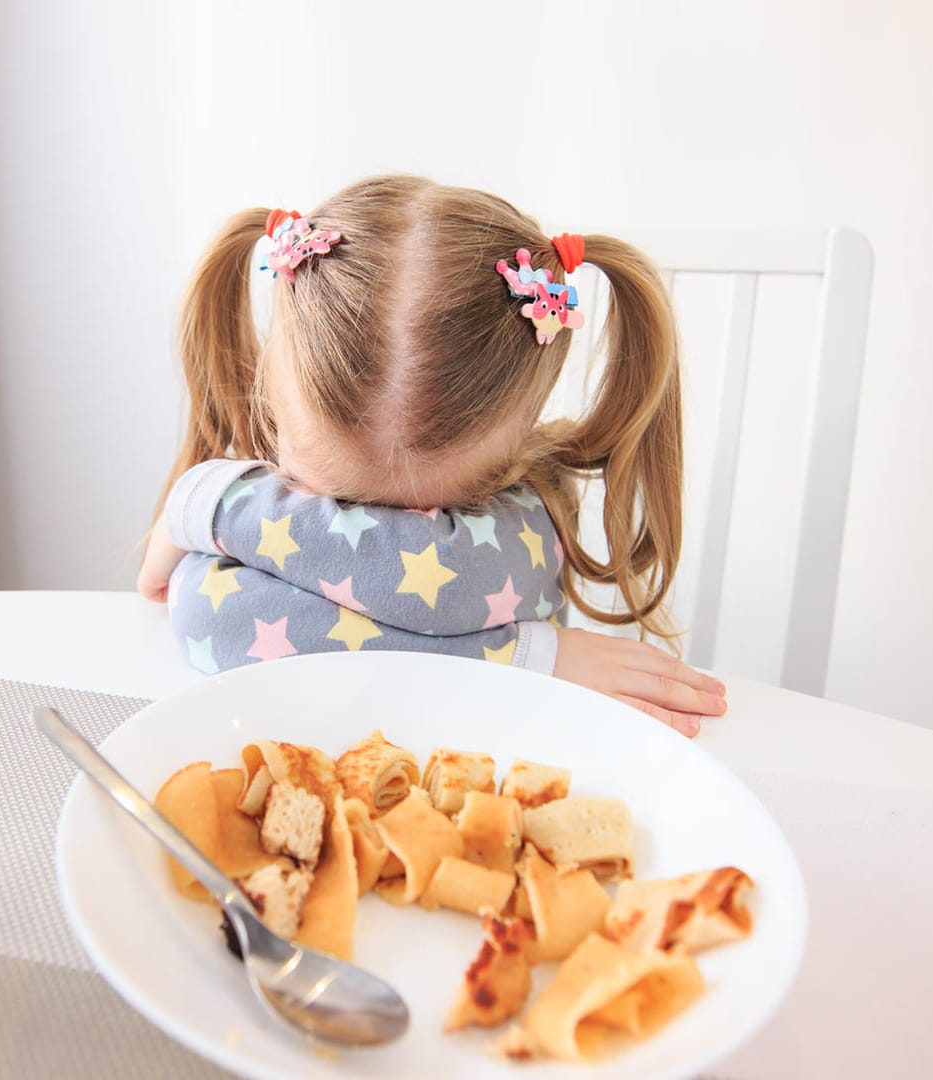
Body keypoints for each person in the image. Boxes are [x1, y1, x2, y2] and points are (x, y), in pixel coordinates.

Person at [137, 175, 725, 737]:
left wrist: (216, 502)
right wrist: (521, 655)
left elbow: (211, 618)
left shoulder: (536, 510)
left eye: (428, 522)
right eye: (341, 507)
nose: (382, 539)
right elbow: (212, 622)